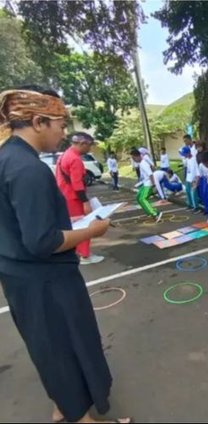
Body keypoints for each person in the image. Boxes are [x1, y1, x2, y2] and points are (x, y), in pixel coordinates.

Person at [0, 87, 131, 423]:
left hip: (20, 275)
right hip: (45, 280)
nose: (64, 133)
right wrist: (92, 230)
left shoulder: (7, 159)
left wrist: (70, 222)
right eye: (60, 124)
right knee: (67, 346)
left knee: (49, 347)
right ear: (38, 121)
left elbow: (22, 223)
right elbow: (42, 241)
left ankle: (63, 405)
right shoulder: (27, 169)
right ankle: (80, 417)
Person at [56, 132, 104, 265]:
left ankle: (79, 251)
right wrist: (85, 202)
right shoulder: (75, 159)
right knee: (84, 225)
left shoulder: (65, 155)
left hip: (65, 195)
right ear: (82, 144)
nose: (90, 148)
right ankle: (85, 255)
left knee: (74, 225)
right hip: (74, 198)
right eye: (89, 145)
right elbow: (77, 183)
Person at [130, 148, 162, 222]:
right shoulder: (141, 163)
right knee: (138, 197)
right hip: (145, 183)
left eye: (133, 158)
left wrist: (154, 186)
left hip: (148, 184)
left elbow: (151, 174)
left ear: (137, 156)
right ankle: (150, 211)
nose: (133, 160)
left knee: (142, 199)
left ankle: (155, 214)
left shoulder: (144, 163)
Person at [181, 146, 201, 213]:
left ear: (188, 153)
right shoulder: (187, 159)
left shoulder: (194, 159)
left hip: (193, 178)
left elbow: (197, 170)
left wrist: (196, 179)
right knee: (187, 191)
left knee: (193, 193)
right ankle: (190, 205)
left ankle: (196, 207)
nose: (184, 156)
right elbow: (187, 169)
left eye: (185, 154)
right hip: (188, 178)